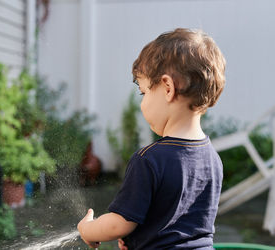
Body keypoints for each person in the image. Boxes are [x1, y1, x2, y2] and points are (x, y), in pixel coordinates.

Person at [77, 28, 226, 249]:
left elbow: (120, 224)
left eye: (144, 92)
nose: (142, 103)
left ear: (167, 88)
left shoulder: (149, 160)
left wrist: (88, 228)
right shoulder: (212, 158)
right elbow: (178, 223)